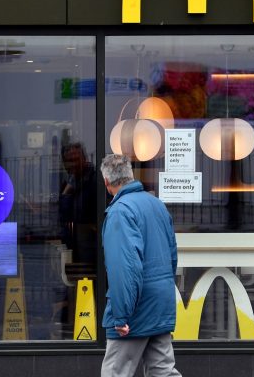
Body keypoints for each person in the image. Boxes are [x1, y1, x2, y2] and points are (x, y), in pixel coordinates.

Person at [99, 154, 181, 377]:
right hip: (161, 301)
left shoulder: (120, 212)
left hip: (136, 307)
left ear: (107, 183)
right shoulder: (157, 205)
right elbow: (172, 256)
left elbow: (124, 268)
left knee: (115, 372)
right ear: (130, 175)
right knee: (162, 370)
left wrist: (121, 315)